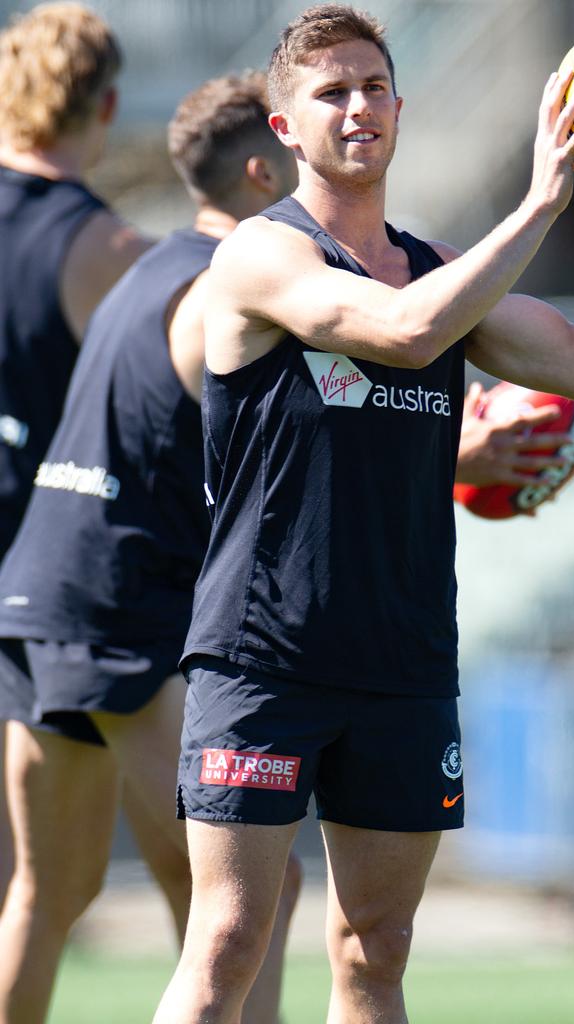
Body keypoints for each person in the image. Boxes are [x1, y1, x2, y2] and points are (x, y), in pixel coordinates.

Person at [150, 4, 574, 1023]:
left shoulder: (438, 269)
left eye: (374, 87)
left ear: (400, 108)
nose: (357, 107)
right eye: (330, 93)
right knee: (226, 946)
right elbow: (401, 332)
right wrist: (542, 201)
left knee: (375, 952)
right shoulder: (259, 259)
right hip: (263, 655)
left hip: (403, 662)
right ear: (285, 130)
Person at [0, 69, 312, 1024]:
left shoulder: (147, 260)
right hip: (119, 605)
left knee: (48, 894)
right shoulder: (228, 284)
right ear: (263, 172)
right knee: (253, 890)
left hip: (36, 592)